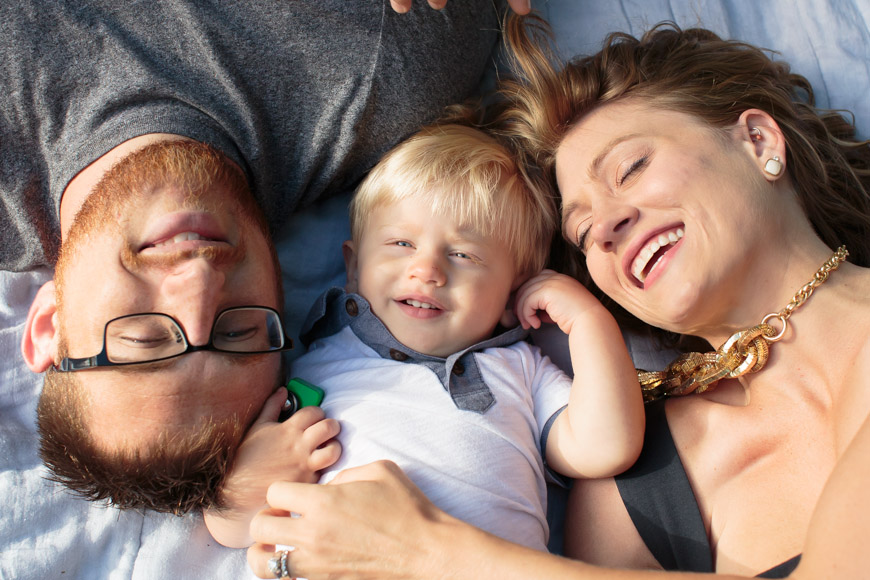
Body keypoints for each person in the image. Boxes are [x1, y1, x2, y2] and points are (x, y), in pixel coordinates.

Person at [243, 14, 870, 580]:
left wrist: (431, 555)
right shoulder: (638, 484)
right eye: (581, 231)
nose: (606, 227)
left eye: (630, 168)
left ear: (758, 141)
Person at [5, 0, 509, 514]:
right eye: (238, 330)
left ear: (49, 322)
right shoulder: (393, 64)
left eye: (144, 336)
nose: (200, 281)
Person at [202, 121, 645, 549]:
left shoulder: (521, 371)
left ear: (514, 295)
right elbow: (235, 531)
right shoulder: (312, 361)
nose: (427, 270)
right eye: (401, 244)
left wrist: (589, 322)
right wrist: (245, 488)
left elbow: (605, 448)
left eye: (463, 254)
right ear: (353, 268)